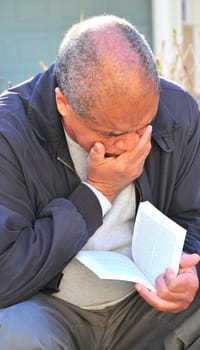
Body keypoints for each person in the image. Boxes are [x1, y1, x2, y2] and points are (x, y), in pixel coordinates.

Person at [0, 14, 200, 350]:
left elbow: (194, 217)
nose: (130, 144)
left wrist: (188, 271)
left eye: (144, 125)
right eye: (111, 133)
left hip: (146, 310)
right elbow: (4, 274)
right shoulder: (9, 135)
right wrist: (97, 192)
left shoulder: (177, 109)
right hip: (47, 310)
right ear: (63, 103)